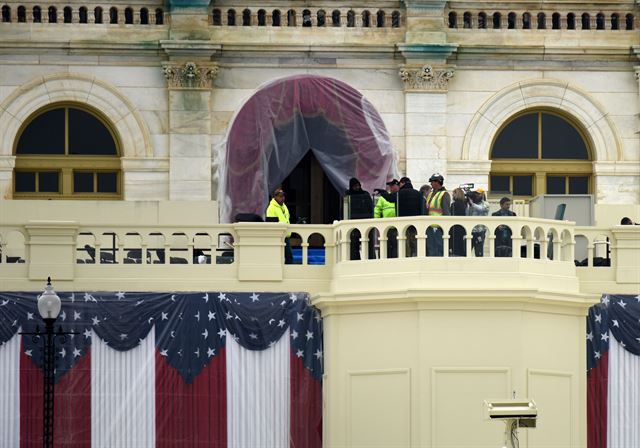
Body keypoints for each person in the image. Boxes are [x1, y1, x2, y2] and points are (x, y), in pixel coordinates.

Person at [345, 177, 374, 260]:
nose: (357, 188)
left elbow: (370, 208)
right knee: (354, 244)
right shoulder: (348, 196)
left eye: (358, 186)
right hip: (353, 223)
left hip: (366, 222)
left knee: (368, 243)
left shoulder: (365, 194)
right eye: (355, 186)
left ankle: (370, 260)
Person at [397, 177, 424, 256]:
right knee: (415, 241)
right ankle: (416, 256)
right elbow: (421, 207)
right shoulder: (417, 193)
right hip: (415, 221)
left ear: (403, 183)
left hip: (403, 222)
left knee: (405, 242)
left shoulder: (400, 193)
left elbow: (391, 198)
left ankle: (407, 257)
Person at [266, 187, 293, 264]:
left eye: (283, 196)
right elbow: (271, 223)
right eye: (280, 196)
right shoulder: (271, 208)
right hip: (277, 236)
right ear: (275, 197)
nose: (282, 198)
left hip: (286, 235)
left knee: (289, 256)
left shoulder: (284, 206)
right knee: (282, 257)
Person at [425, 173, 451, 256]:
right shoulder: (430, 194)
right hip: (429, 226)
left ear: (437, 182)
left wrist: (445, 227)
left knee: (439, 249)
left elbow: (446, 212)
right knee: (431, 248)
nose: (431, 184)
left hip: (439, 227)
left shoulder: (444, 194)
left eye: (432, 182)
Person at [374, 179, 399, 258]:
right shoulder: (383, 197)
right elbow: (377, 210)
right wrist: (377, 223)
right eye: (390, 186)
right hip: (385, 226)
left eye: (392, 186)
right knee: (385, 245)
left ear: (397, 185)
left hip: (398, 226)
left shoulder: (400, 195)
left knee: (397, 246)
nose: (391, 188)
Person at [467, 188, 489, 257]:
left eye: (478, 194)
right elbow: (467, 214)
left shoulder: (485, 204)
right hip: (470, 230)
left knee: (479, 252)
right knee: (466, 251)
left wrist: (472, 204)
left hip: (480, 231)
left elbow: (481, 209)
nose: (476, 195)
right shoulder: (471, 204)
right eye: (476, 193)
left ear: (482, 194)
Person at [449, 187, 467, 256]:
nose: (452, 195)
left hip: (455, 228)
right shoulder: (464, 204)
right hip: (462, 228)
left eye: (453, 194)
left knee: (455, 246)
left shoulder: (454, 204)